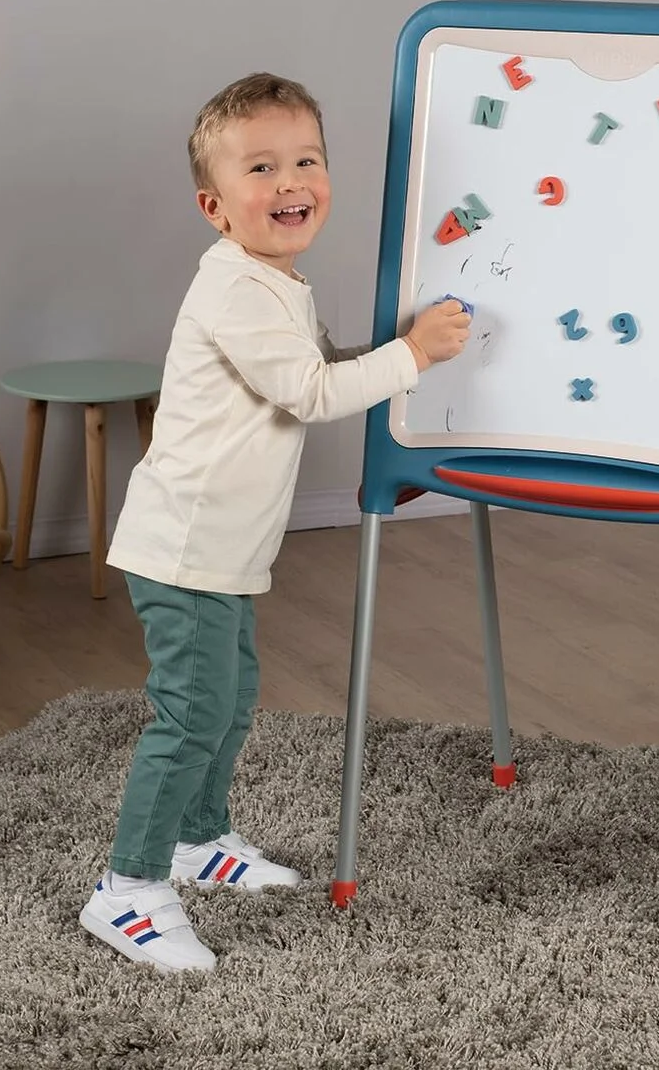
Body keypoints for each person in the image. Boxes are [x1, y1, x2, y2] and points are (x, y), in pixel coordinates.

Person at [79, 72, 470, 972]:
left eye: (306, 161)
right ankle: (127, 889)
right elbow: (311, 392)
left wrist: (394, 350)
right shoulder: (236, 291)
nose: (290, 181)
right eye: (261, 167)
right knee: (192, 713)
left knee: (232, 698)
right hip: (185, 546)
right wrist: (412, 356)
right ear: (215, 207)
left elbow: (317, 362)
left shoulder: (278, 283)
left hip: (228, 547)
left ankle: (198, 838)